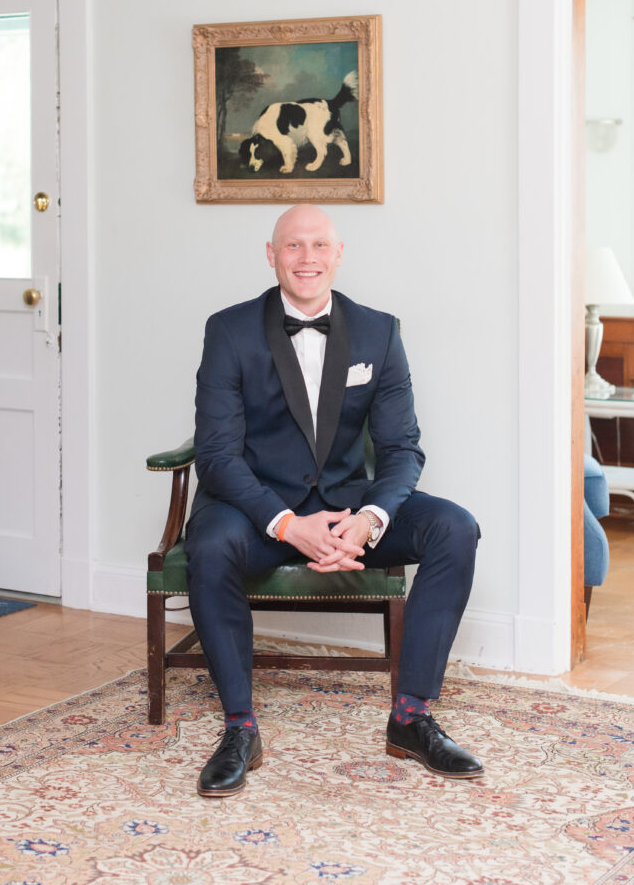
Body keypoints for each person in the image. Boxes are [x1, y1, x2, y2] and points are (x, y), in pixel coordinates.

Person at [185, 204, 483, 798]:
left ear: (339, 254)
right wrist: (286, 523)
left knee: (455, 527)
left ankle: (411, 717)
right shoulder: (229, 329)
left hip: (349, 509)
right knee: (210, 542)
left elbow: (402, 448)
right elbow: (216, 454)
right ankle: (240, 727)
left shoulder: (380, 331)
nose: (307, 258)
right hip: (259, 510)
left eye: (319, 245)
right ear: (271, 255)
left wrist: (370, 519)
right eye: (293, 246)